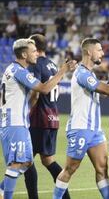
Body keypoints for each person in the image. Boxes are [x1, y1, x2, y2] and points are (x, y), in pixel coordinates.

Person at [52, 38, 109, 199]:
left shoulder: (90, 73)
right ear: (88, 52)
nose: (103, 52)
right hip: (80, 129)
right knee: (70, 169)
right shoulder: (82, 73)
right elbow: (108, 90)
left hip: (95, 131)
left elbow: (108, 90)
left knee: (102, 169)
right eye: (99, 49)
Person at [0, 38, 76, 199]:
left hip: (21, 122)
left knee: (27, 162)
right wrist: (62, 71)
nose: (37, 53)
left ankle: (2, 190)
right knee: (16, 164)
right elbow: (43, 88)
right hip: (15, 123)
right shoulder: (18, 71)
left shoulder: (16, 70)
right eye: (33, 51)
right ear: (23, 54)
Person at [22, 34, 70, 199]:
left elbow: (36, 93)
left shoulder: (36, 65)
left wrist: (27, 111)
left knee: (26, 161)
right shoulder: (53, 65)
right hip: (53, 118)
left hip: (39, 119)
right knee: (47, 160)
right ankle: (66, 196)